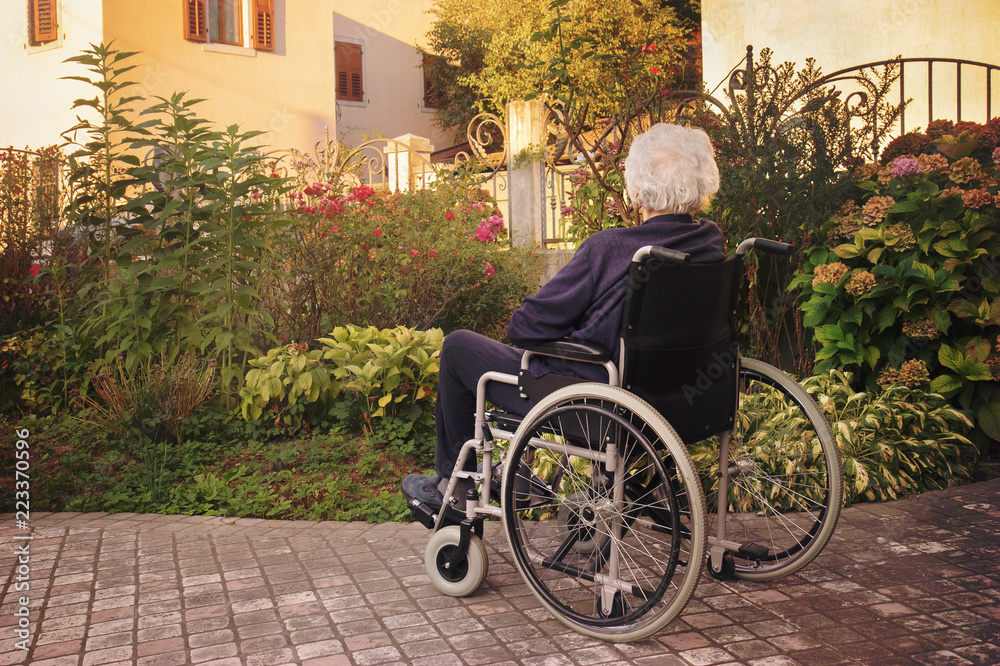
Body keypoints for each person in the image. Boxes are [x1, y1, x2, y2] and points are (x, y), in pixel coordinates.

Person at [401, 122, 726, 514]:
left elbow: (525, 327)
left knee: (457, 348)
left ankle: (454, 490)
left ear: (637, 189)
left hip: (593, 400)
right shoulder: (710, 244)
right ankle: (508, 474)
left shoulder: (611, 248)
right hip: (678, 401)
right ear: (700, 186)